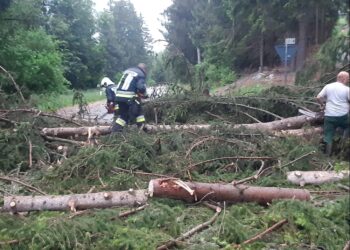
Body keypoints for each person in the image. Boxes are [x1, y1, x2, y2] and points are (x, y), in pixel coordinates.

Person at [316, 71, 350, 155]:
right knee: (348, 126)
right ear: (342, 78)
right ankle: (343, 146)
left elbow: (318, 97)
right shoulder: (347, 89)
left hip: (329, 116)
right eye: (348, 78)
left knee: (328, 136)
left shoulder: (328, 86)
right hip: (343, 116)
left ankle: (328, 156)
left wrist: (322, 105)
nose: (348, 80)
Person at [112, 63, 148, 132]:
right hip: (128, 97)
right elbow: (141, 87)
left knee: (125, 115)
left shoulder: (128, 71)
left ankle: (142, 128)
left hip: (118, 96)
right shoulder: (141, 74)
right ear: (144, 69)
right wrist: (144, 94)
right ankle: (115, 131)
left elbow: (130, 85)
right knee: (135, 112)